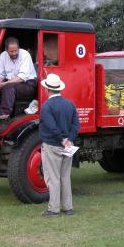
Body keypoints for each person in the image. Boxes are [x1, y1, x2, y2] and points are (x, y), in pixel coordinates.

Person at [39, 73, 80, 217]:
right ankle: (68, 207)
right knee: (65, 176)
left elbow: (51, 126)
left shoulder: (46, 106)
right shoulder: (70, 104)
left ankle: (54, 208)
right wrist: (68, 139)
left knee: (53, 177)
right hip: (68, 145)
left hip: (52, 145)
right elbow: (76, 125)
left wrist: (61, 139)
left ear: (47, 89)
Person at [0, 37, 37, 120]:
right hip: (12, 83)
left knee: (8, 87)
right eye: (11, 51)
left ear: (18, 48)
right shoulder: (3, 56)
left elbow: (21, 77)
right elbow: (1, 74)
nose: (14, 53)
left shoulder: (25, 54)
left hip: (28, 84)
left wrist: (3, 84)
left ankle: (4, 116)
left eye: (16, 50)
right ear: (6, 50)